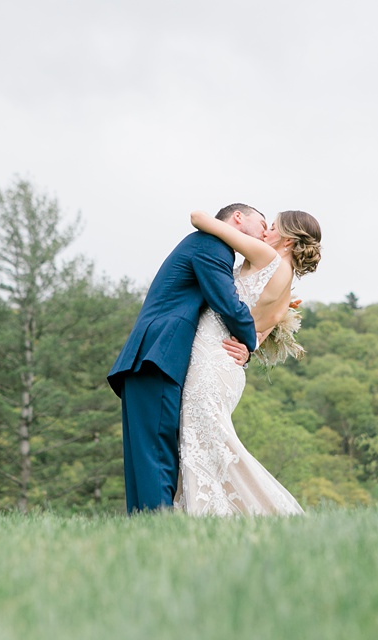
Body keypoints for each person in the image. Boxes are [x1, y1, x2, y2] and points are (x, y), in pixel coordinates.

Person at [107, 204, 266, 513]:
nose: (264, 232)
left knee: (146, 454)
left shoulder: (206, 245)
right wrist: (252, 344)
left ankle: (146, 529)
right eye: (261, 223)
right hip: (157, 356)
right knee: (156, 451)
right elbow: (228, 305)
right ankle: (160, 529)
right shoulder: (212, 246)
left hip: (149, 357)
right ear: (238, 219)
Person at [174, 209, 322, 515]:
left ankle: (272, 512)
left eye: (272, 227)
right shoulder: (286, 289)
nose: (265, 232)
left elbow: (199, 218)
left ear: (288, 241)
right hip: (228, 365)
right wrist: (247, 352)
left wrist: (236, 223)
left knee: (206, 441)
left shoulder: (266, 256)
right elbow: (253, 339)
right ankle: (204, 513)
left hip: (212, 361)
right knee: (206, 441)